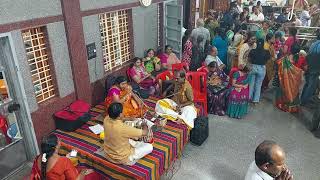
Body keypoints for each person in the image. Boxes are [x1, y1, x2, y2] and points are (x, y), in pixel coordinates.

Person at [30, 134, 99, 179]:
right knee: (93, 174)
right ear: (56, 146)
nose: (60, 141)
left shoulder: (38, 158)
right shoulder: (63, 161)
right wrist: (83, 172)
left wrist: (65, 157)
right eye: (59, 140)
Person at [275, 44, 303, 113]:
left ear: (290, 49)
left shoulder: (285, 59)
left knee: (284, 90)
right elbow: (302, 69)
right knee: (294, 91)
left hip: (285, 80)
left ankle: (282, 104)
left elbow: (278, 63)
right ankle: (292, 106)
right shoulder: (301, 59)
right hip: (295, 81)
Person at [248, 39, 271, 104]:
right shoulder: (266, 52)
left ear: (256, 43)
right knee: (258, 84)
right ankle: (255, 100)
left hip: (253, 67)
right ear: (263, 44)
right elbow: (268, 59)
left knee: (251, 84)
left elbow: (249, 59)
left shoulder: (252, 51)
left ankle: (249, 98)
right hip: (262, 67)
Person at [301, 32, 320, 105]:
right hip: (316, 68)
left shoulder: (313, 44)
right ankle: (305, 101)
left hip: (309, 66)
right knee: (311, 86)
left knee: (307, 84)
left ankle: (302, 99)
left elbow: (309, 54)